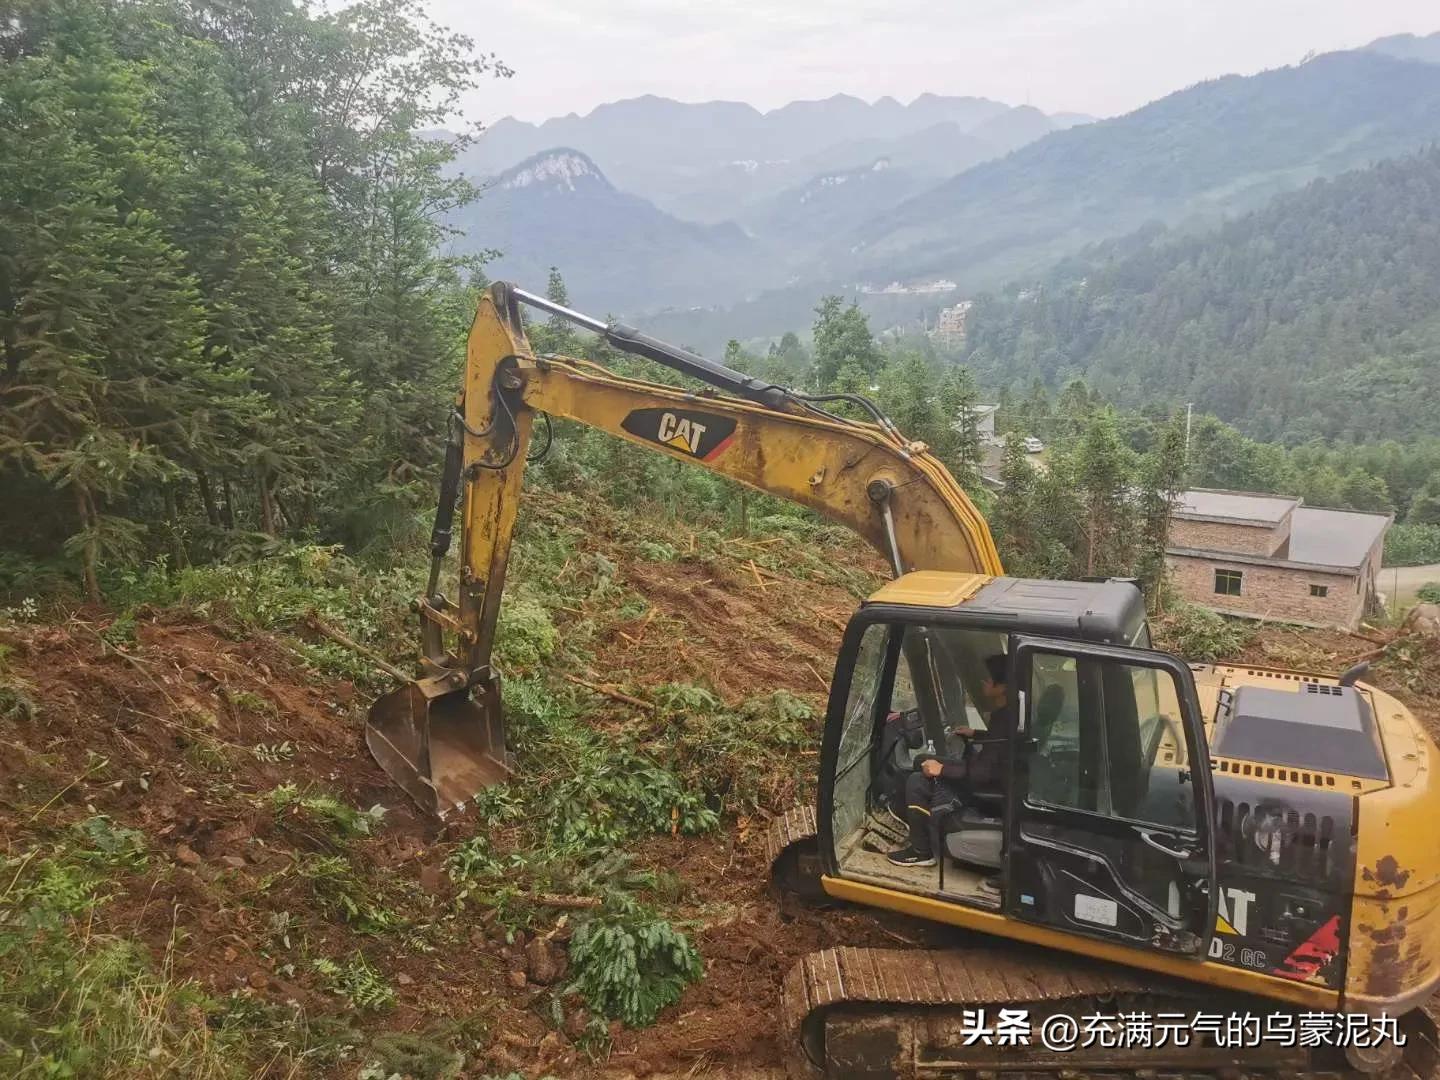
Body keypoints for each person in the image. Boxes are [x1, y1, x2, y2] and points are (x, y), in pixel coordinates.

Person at [888, 653, 1014, 868]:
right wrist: (976, 733)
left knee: (917, 781)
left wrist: (942, 769)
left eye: (989, 678)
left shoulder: (1005, 717)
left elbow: (982, 773)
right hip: (993, 775)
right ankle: (913, 821)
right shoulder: (1010, 713)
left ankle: (921, 851)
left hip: (988, 785)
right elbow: (1002, 743)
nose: (984, 681)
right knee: (922, 759)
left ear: (1002, 687)